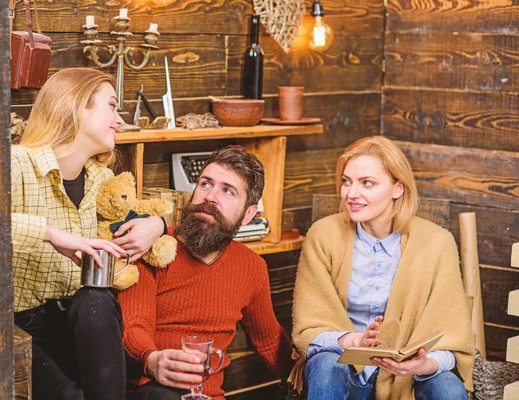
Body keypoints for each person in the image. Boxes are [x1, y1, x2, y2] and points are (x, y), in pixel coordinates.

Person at [11, 68, 166, 400]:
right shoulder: (18, 164)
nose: (120, 121)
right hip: (20, 328)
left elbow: (152, 212)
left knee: (95, 297)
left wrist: (158, 226)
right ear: (77, 106)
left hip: (82, 326)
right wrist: (52, 234)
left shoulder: (102, 178)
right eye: (112, 106)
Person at [292, 136, 475, 400]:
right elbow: (307, 332)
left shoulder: (438, 242)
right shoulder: (323, 235)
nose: (351, 194)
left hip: (408, 379)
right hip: (344, 370)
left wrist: (423, 365)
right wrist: (352, 341)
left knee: (447, 387)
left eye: (367, 183)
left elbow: (453, 340)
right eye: (346, 181)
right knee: (324, 367)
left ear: (397, 188)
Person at [118, 146, 294, 400]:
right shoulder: (155, 248)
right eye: (205, 184)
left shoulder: (251, 267)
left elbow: (269, 340)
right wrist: (153, 359)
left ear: (248, 214)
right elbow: (134, 325)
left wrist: (305, 379)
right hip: (150, 390)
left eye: (227, 191)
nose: (210, 196)